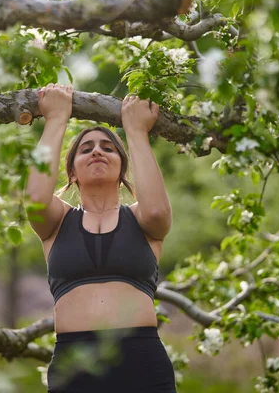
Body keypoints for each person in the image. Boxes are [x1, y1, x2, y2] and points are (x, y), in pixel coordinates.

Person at [26, 83, 175, 393]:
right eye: (86, 148)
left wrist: (136, 130)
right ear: (72, 172)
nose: (96, 150)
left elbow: (160, 212)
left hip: (142, 361)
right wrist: (56, 118)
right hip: (74, 364)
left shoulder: (142, 219)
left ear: (122, 169)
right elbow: (36, 200)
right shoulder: (58, 222)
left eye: (108, 148)